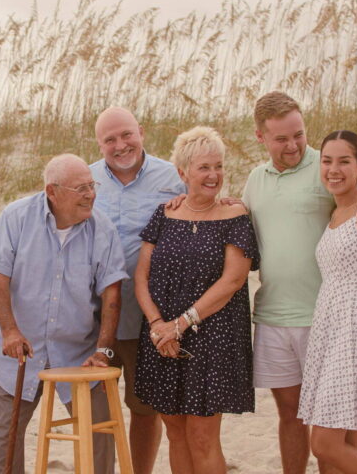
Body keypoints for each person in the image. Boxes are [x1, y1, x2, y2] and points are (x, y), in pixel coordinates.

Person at [242, 92, 357, 474]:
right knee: (291, 415)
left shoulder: (327, 163)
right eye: (281, 138)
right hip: (273, 313)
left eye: (298, 134)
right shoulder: (255, 180)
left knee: (334, 431)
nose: (294, 145)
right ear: (260, 137)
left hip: (328, 319)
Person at [0, 154, 129, 474]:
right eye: (81, 188)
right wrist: (9, 330)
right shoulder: (17, 216)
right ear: (52, 191)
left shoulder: (101, 227)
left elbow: (112, 293)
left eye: (92, 185)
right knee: (6, 436)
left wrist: (103, 350)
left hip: (79, 349)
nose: (91, 194)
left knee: (99, 430)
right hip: (20, 348)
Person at [134, 126, 259, 473]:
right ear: (182, 172)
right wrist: (159, 326)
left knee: (203, 437)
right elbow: (141, 277)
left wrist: (180, 324)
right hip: (163, 341)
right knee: (175, 432)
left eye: (218, 166)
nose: (213, 175)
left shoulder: (235, 217)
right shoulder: (165, 214)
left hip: (212, 341)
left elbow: (233, 280)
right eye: (204, 167)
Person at [89, 107, 185, 473]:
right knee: (97, 407)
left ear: (141, 132)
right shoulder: (88, 180)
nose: (120, 145)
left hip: (150, 317)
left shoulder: (173, 177)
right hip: (95, 318)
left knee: (144, 409)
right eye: (110, 140)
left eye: (126, 135)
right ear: (99, 145)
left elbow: (205, 213)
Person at [297, 131, 357, 473]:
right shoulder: (336, 211)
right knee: (342, 444)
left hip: (356, 331)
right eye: (327, 161)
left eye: (344, 161)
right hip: (329, 328)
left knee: (323, 443)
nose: (333, 169)